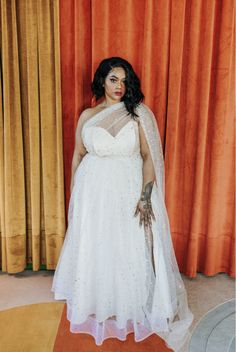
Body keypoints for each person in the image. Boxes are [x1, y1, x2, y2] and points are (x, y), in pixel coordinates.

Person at [51, 57, 194, 351]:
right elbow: (78, 154)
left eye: (124, 80)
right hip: (93, 192)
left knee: (128, 244)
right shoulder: (88, 115)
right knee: (98, 242)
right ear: (102, 80)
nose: (120, 86)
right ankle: (98, 296)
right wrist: (76, 194)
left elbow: (148, 157)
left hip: (128, 187)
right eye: (113, 79)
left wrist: (144, 198)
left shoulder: (138, 114)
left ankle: (132, 300)